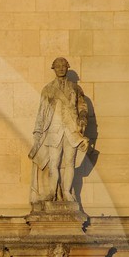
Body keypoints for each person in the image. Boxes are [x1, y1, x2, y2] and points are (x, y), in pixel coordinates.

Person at [27, 56, 90, 210]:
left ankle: (67, 192)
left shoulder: (75, 88)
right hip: (54, 131)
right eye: (58, 66)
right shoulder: (48, 89)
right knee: (53, 163)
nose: (61, 68)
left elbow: (82, 107)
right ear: (53, 68)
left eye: (63, 65)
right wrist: (38, 133)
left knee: (70, 162)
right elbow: (41, 113)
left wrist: (82, 119)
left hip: (71, 130)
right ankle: (51, 192)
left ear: (67, 67)